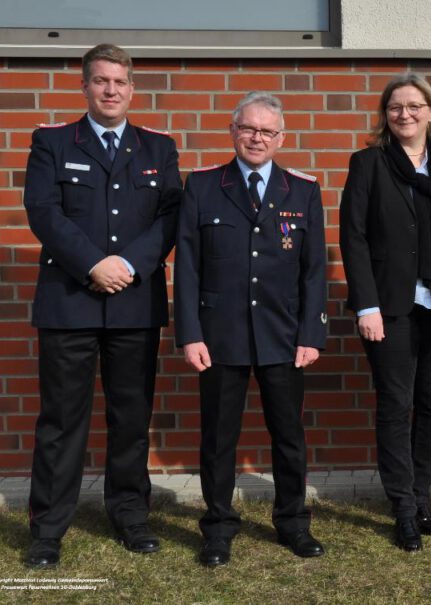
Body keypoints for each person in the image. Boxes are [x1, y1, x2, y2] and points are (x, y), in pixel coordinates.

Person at [21, 43, 182, 568]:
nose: (111, 90)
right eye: (100, 81)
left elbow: (170, 218)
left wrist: (129, 265)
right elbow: (43, 212)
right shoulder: (51, 142)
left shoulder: (159, 149)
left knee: (131, 417)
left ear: (132, 88)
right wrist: (94, 263)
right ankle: (47, 528)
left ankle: (131, 516)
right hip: (70, 301)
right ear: (85, 86)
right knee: (62, 422)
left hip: (134, 303)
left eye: (120, 82)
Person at [174, 92, 327, 567]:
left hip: (282, 336)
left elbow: (314, 270)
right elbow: (188, 267)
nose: (257, 138)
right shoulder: (201, 186)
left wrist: (311, 335)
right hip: (219, 338)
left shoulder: (302, 189)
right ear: (232, 131)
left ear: (281, 138)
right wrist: (190, 333)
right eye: (248, 128)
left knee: (288, 436)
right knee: (219, 438)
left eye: (267, 131)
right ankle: (218, 528)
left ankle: (293, 523)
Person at [339, 73, 431, 552]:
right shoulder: (368, 164)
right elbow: (354, 237)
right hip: (390, 307)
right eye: (395, 107)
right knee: (396, 405)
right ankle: (402, 506)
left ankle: (421, 495)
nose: (404, 114)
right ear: (385, 116)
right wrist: (366, 304)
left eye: (413, 105)